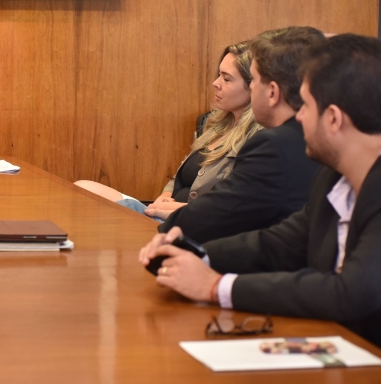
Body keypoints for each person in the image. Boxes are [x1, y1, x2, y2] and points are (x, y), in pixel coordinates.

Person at [139, 34, 381, 347]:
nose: (299, 116)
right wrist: (193, 255)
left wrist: (216, 287)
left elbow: (350, 292)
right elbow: (277, 244)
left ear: (333, 118)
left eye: (305, 105)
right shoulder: (333, 178)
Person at [152, 27, 325, 243]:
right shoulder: (303, 136)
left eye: (253, 81)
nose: (216, 83)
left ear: (272, 92)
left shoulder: (274, 144)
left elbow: (223, 215)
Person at [75, 41, 260, 219]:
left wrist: (179, 209)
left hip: (191, 224)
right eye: (218, 75)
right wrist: (165, 194)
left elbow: (237, 210)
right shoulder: (215, 123)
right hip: (162, 214)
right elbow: (181, 176)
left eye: (226, 79)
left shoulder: (260, 139)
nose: (216, 83)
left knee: (93, 212)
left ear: (254, 87)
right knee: (82, 189)